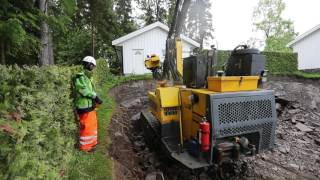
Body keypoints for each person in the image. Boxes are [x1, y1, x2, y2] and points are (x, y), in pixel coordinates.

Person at [74, 56, 103, 152]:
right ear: (88, 64)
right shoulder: (80, 77)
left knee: (92, 125)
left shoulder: (88, 77)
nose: (93, 68)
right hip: (83, 107)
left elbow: (90, 90)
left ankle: (92, 143)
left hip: (89, 106)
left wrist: (95, 100)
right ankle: (85, 148)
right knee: (86, 127)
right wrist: (95, 96)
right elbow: (83, 90)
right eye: (92, 66)